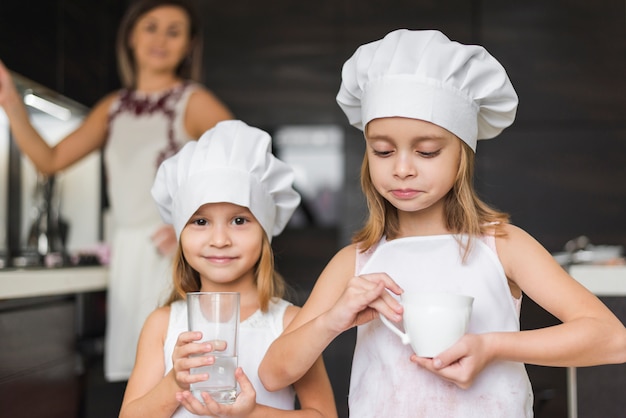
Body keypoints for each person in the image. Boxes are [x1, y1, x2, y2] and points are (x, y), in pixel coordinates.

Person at [258, 29, 626, 416]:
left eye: (427, 151)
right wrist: (333, 320)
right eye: (383, 150)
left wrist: (492, 346)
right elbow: (273, 373)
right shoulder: (355, 263)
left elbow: (612, 338)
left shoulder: (502, 245)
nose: (402, 169)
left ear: (461, 156)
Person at [0, 0, 234, 381]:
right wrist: (10, 101)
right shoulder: (112, 108)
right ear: (131, 37)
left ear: (189, 45)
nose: (160, 39)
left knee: (181, 374)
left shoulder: (194, 102)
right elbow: (51, 159)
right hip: (127, 254)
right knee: (142, 379)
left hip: (172, 259)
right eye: (151, 27)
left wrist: (192, 225)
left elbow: (245, 165)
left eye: (174, 31)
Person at [118, 120, 337, 417]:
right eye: (200, 221)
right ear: (180, 233)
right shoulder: (162, 325)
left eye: (239, 220)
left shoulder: (290, 323)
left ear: (264, 231)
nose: (220, 240)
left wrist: (251, 413)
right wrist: (174, 382)